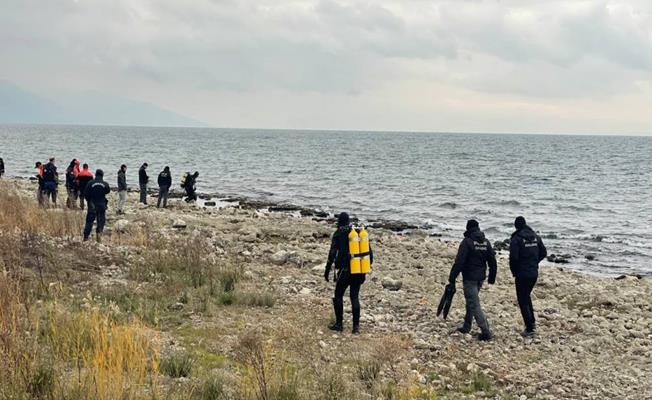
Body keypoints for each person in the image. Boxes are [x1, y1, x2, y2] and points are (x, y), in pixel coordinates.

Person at [448, 219, 497, 341]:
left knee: (474, 304)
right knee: (471, 301)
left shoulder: (467, 242)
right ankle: (467, 325)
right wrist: (492, 277)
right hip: (480, 277)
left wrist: (452, 277)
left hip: (470, 278)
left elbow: (459, 262)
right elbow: (492, 261)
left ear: (468, 229)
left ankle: (485, 331)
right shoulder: (486, 242)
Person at [324, 212, 373, 334]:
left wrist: (327, 269)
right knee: (354, 296)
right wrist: (366, 266)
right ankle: (356, 328)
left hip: (345, 271)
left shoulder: (339, 233)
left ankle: (339, 324)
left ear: (339, 222)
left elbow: (332, 253)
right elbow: (369, 254)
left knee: (338, 295)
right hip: (359, 270)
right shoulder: (358, 234)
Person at [509, 216, 547, 337]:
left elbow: (513, 258)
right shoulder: (536, 236)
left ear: (516, 226)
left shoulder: (516, 239)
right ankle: (532, 322)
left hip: (522, 273)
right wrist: (534, 262)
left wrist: (514, 271)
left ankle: (529, 328)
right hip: (533, 272)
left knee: (522, 299)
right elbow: (544, 252)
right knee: (526, 296)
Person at [83, 169, 110, 242]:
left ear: (95, 174)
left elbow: (86, 194)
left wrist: (89, 201)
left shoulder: (90, 183)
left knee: (89, 222)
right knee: (101, 221)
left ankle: (85, 237)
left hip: (92, 205)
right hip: (101, 205)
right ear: (102, 175)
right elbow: (108, 190)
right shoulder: (105, 184)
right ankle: (98, 237)